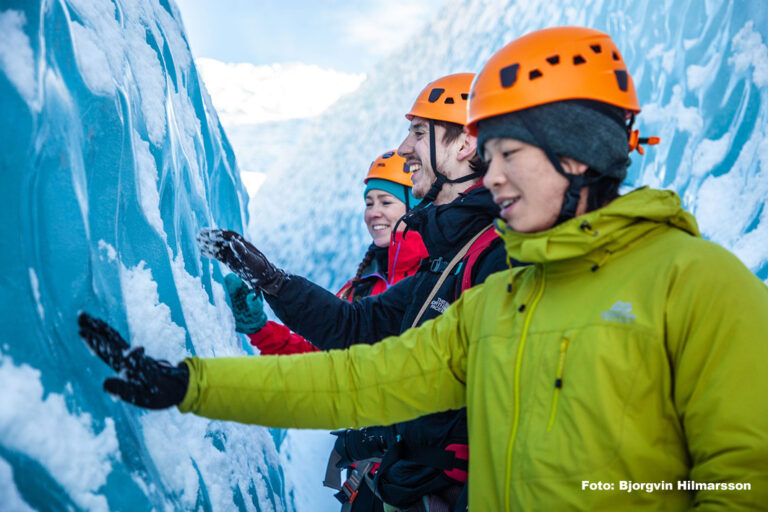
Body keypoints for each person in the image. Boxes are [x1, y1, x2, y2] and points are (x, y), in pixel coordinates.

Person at [78, 27, 768, 510]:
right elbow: (354, 380)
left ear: (577, 152)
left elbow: (747, 483)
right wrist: (190, 384)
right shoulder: (499, 305)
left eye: (508, 154)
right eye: (485, 154)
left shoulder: (698, 284)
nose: (489, 176)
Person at [81, 73, 510, 512]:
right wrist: (271, 282)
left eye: (419, 132)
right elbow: (352, 330)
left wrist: (194, 385)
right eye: (370, 201)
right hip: (406, 487)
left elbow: (362, 374)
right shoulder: (448, 263)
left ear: (464, 146)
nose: (403, 148)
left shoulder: (493, 259)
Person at [232, 150, 427, 358]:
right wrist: (260, 330)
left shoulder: (435, 279)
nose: (373, 213)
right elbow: (319, 356)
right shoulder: (359, 287)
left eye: (386, 202)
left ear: (415, 208)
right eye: (369, 203)